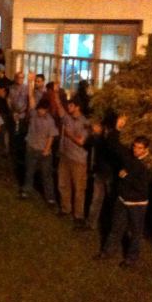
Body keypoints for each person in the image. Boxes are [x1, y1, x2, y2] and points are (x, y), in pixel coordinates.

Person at [95, 134, 152, 268]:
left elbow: (143, 188)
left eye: (139, 148)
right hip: (122, 199)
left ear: (146, 149)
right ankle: (107, 252)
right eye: (134, 146)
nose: (135, 150)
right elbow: (114, 144)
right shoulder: (130, 157)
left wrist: (127, 177)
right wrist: (117, 129)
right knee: (116, 227)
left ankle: (131, 259)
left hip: (137, 204)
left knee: (135, 233)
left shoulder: (147, 165)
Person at [20, 73, 58, 204]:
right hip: (32, 146)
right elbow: (31, 98)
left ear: (46, 110)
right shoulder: (33, 114)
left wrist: (47, 149)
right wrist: (30, 82)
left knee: (46, 175)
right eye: (40, 109)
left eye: (43, 110)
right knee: (29, 171)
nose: (41, 111)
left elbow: (51, 136)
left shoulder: (50, 121)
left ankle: (50, 197)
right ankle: (26, 190)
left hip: (43, 150)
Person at [54, 91, 90, 228]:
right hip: (65, 156)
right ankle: (65, 208)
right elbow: (59, 108)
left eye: (71, 105)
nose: (68, 107)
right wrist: (56, 94)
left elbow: (81, 141)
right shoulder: (67, 118)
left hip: (78, 160)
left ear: (77, 107)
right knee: (63, 184)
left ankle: (78, 215)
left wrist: (69, 136)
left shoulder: (85, 123)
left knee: (79, 188)